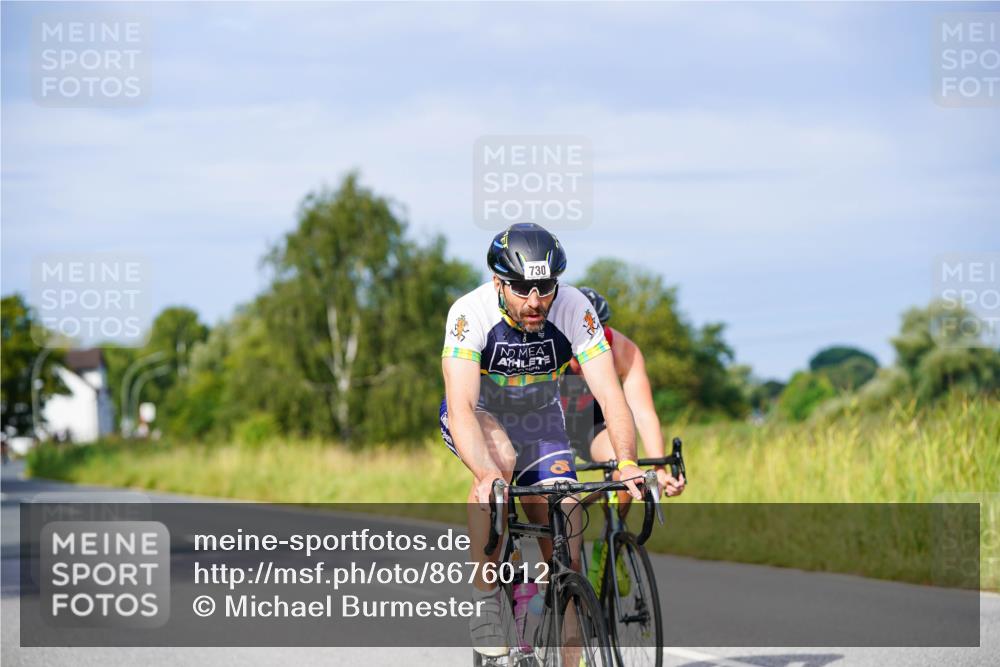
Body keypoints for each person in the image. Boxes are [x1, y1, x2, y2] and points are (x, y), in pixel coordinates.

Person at [439, 222, 644, 657]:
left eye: (545, 288)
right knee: (499, 472)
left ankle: (568, 640)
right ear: (498, 281)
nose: (535, 302)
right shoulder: (468, 313)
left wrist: (627, 460)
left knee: (565, 534)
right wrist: (488, 473)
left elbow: (611, 393)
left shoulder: (574, 308)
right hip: (480, 415)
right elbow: (461, 407)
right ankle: (485, 596)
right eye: (522, 289)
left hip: (540, 418)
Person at [563, 287, 686, 503]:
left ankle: (614, 530)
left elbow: (643, 414)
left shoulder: (623, 349)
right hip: (550, 425)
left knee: (623, 461)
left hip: (592, 426)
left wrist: (659, 468)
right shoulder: (549, 345)